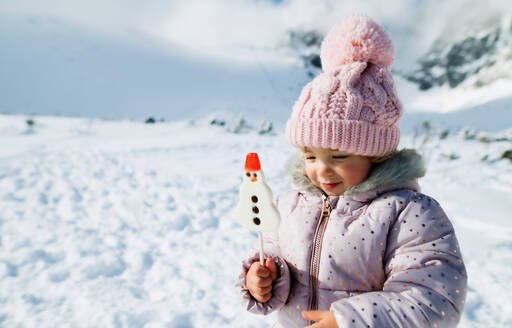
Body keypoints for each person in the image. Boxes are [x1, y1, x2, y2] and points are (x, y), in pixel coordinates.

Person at [236, 15, 467, 328]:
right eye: (310, 156)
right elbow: (278, 255)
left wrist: (350, 320)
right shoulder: (291, 204)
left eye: (339, 155)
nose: (321, 170)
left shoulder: (408, 213)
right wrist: (265, 280)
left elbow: (435, 301)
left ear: (375, 152)